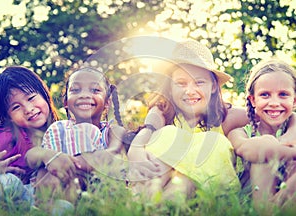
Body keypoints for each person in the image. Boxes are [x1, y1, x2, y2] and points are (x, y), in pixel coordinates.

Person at [127, 39, 250, 201]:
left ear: (213, 86)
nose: (190, 91)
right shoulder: (163, 110)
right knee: (167, 134)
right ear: (170, 87)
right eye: (181, 83)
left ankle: (162, 205)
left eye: (199, 82)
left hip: (199, 188)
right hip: (160, 179)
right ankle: (147, 200)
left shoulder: (226, 116)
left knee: (216, 144)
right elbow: (148, 129)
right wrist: (135, 149)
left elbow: (264, 113)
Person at [35, 67, 127, 203]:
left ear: (107, 102)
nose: (84, 95)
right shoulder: (58, 130)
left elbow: (111, 154)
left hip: (100, 194)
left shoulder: (112, 131)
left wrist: (70, 164)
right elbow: (47, 166)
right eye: (75, 90)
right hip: (61, 191)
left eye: (95, 90)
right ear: (66, 102)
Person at [0, 66, 77, 206]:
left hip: (46, 200)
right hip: (15, 194)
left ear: (44, 94)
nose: (28, 109)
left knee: (63, 207)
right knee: (6, 182)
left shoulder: (65, 130)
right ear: (9, 117)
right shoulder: (6, 137)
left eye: (31, 98)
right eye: (16, 107)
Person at [228, 59, 296, 209]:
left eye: (283, 94)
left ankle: (280, 206)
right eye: (265, 95)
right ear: (253, 100)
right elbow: (250, 149)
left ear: (294, 100)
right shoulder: (239, 133)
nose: (274, 102)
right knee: (263, 148)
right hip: (253, 197)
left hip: (288, 192)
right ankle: (267, 210)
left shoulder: (293, 124)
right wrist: (289, 151)